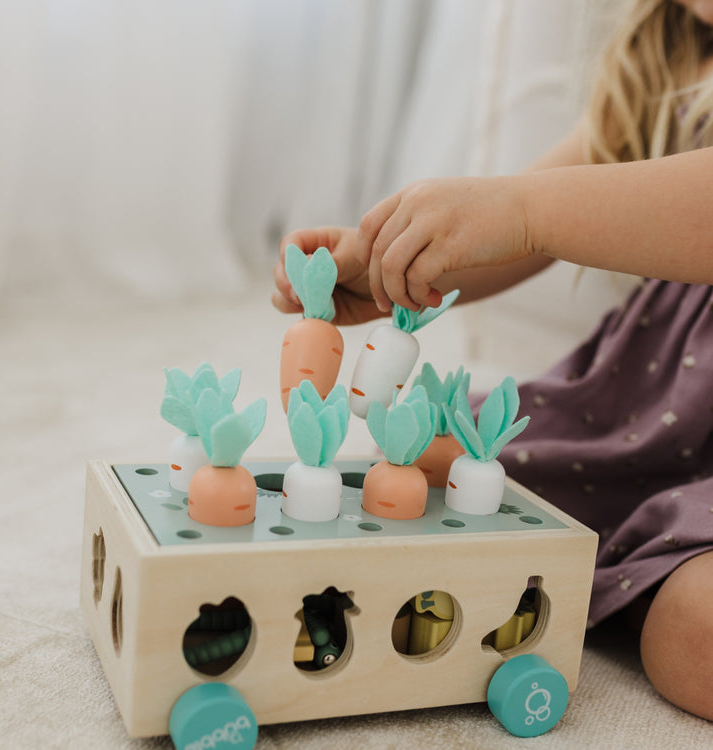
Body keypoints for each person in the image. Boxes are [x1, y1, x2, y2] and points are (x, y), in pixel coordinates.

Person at [272, 0, 713, 720]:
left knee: (695, 635)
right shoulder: (665, 59)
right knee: (438, 465)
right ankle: (636, 560)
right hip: (655, 404)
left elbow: (540, 216)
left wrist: (524, 205)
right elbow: (527, 238)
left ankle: (646, 575)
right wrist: (385, 268)